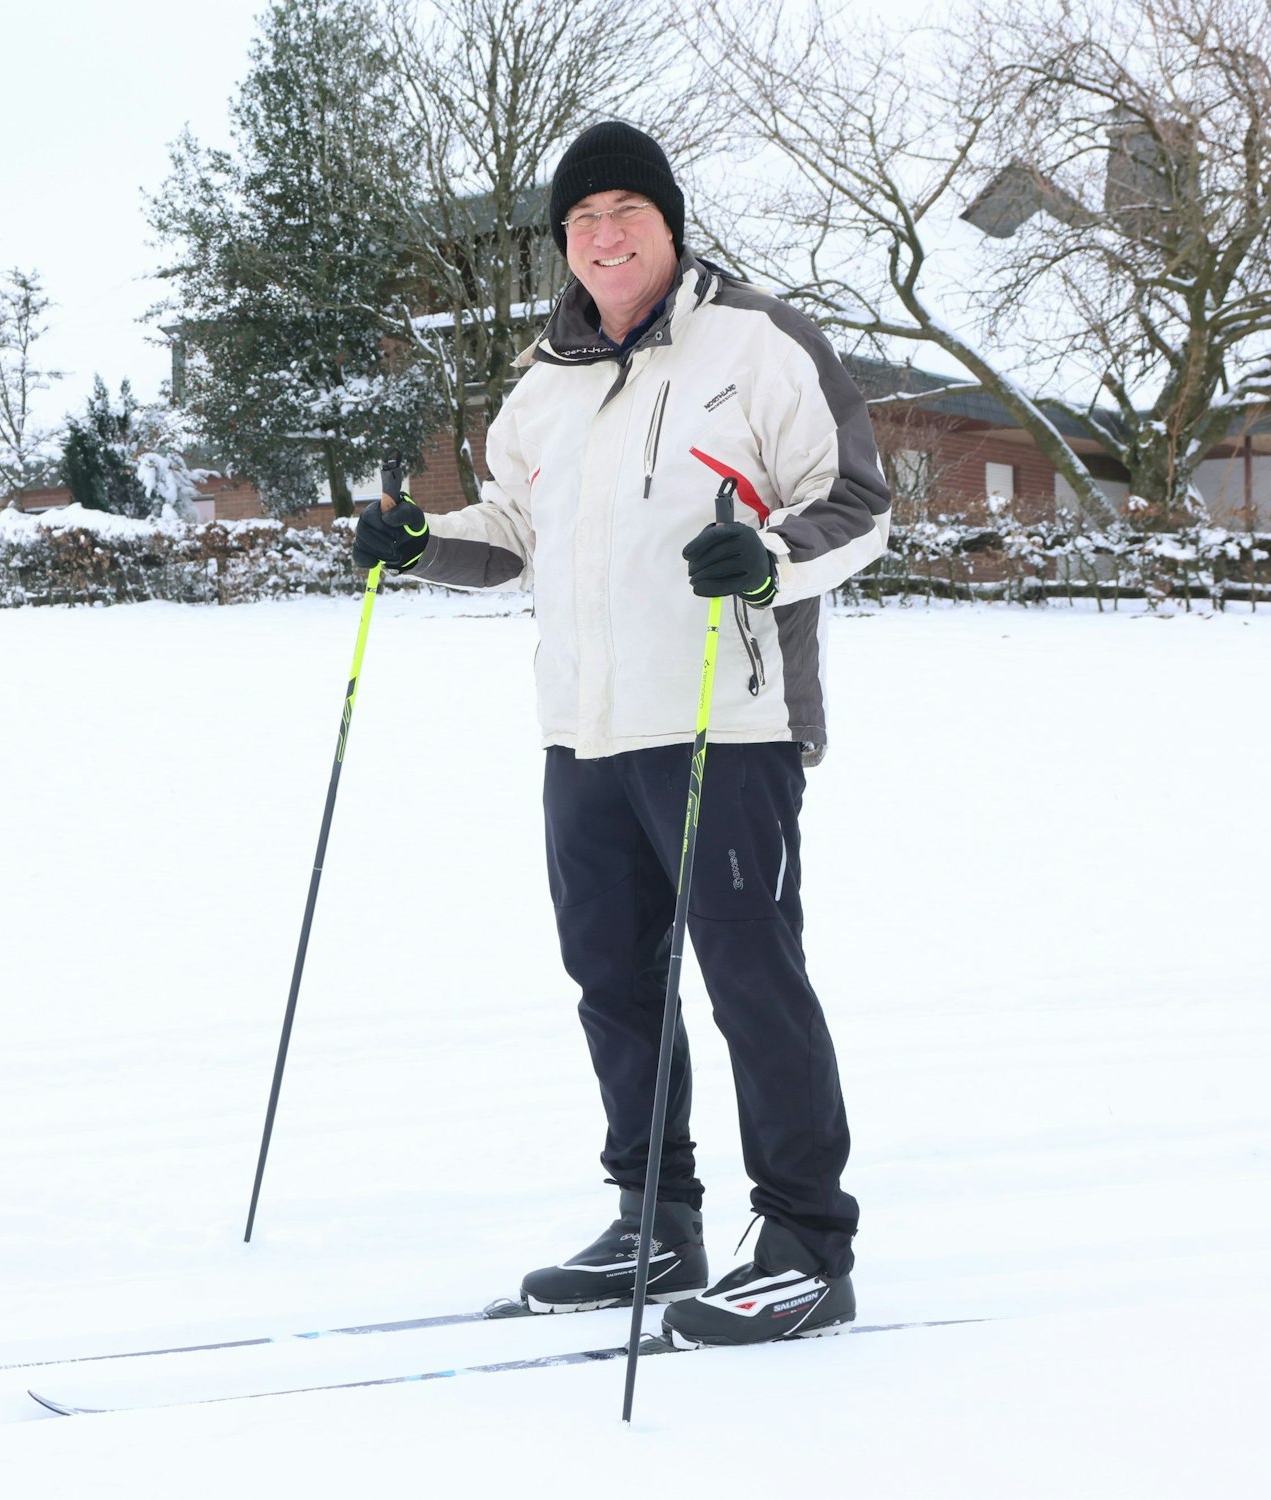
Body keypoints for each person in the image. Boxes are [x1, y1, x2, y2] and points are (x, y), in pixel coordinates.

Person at [353, 121, 890, 1347]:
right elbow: (510, 532)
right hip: (583, 734)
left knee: (752, 980)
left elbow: (859, 506)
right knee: (612, 981)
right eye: (580, 221)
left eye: (623, 214)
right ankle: (657, 1216)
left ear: (666, 222)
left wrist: (766, 559)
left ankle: (806, 1241)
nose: (602, 238)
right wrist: (415, 543)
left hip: (725, 722)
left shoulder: (755, 343)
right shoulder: (543, 384)